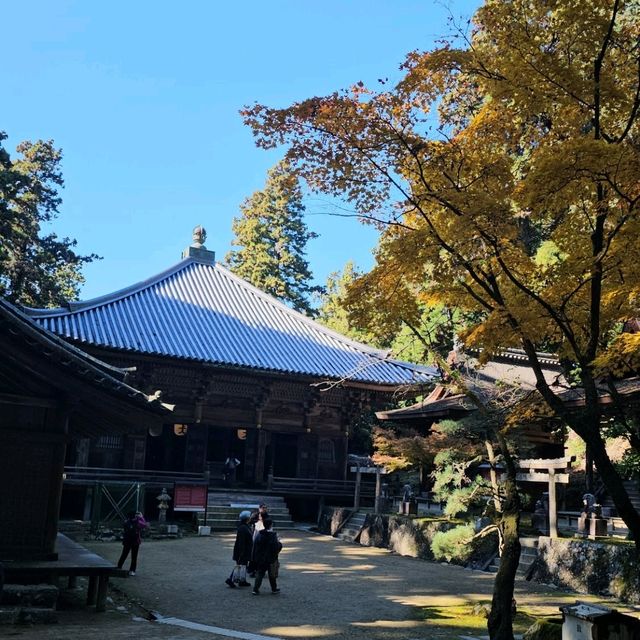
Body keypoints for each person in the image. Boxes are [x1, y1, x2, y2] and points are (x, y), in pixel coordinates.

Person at [251, 517, 282, 595]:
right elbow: (276, 547)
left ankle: (255, 589)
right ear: (271, 525)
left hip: (261, 558)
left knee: (260, 573)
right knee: (272, 574)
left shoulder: (259, 534)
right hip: (271, 558)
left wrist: (255, 557)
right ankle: (274, 589)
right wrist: (280, 543)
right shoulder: (273, 536)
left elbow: (255, 546)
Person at [225, 510, 252, 588]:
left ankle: (242, 580)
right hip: (242, 550)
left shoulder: (245, 526)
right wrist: (242, 553)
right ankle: (231, 579)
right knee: (240, 565)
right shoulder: (243, 528)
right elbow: (241, 542)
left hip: (244, 550)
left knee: (243, 565)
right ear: (247, 518)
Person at [117, 510, 148, 576]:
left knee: (124, 555)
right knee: (134, 557)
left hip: (127, 541)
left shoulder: (126, 522)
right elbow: (145, 525)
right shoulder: (138, 522)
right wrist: (141, 517)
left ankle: (119, 567)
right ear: (135, 515)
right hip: (135, 541)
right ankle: (132, 570)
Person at [248, 505, 268, 578]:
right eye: (263, 508)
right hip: (255, 535)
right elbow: (250, 521)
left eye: (265, 508)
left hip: (263, 536)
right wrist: (258, 521)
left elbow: (268, 523)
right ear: (260, 508)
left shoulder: (266, 515)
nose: (264, 509)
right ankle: (252, 570)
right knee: (253, 553)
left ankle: (260, 570)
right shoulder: (255, 514)